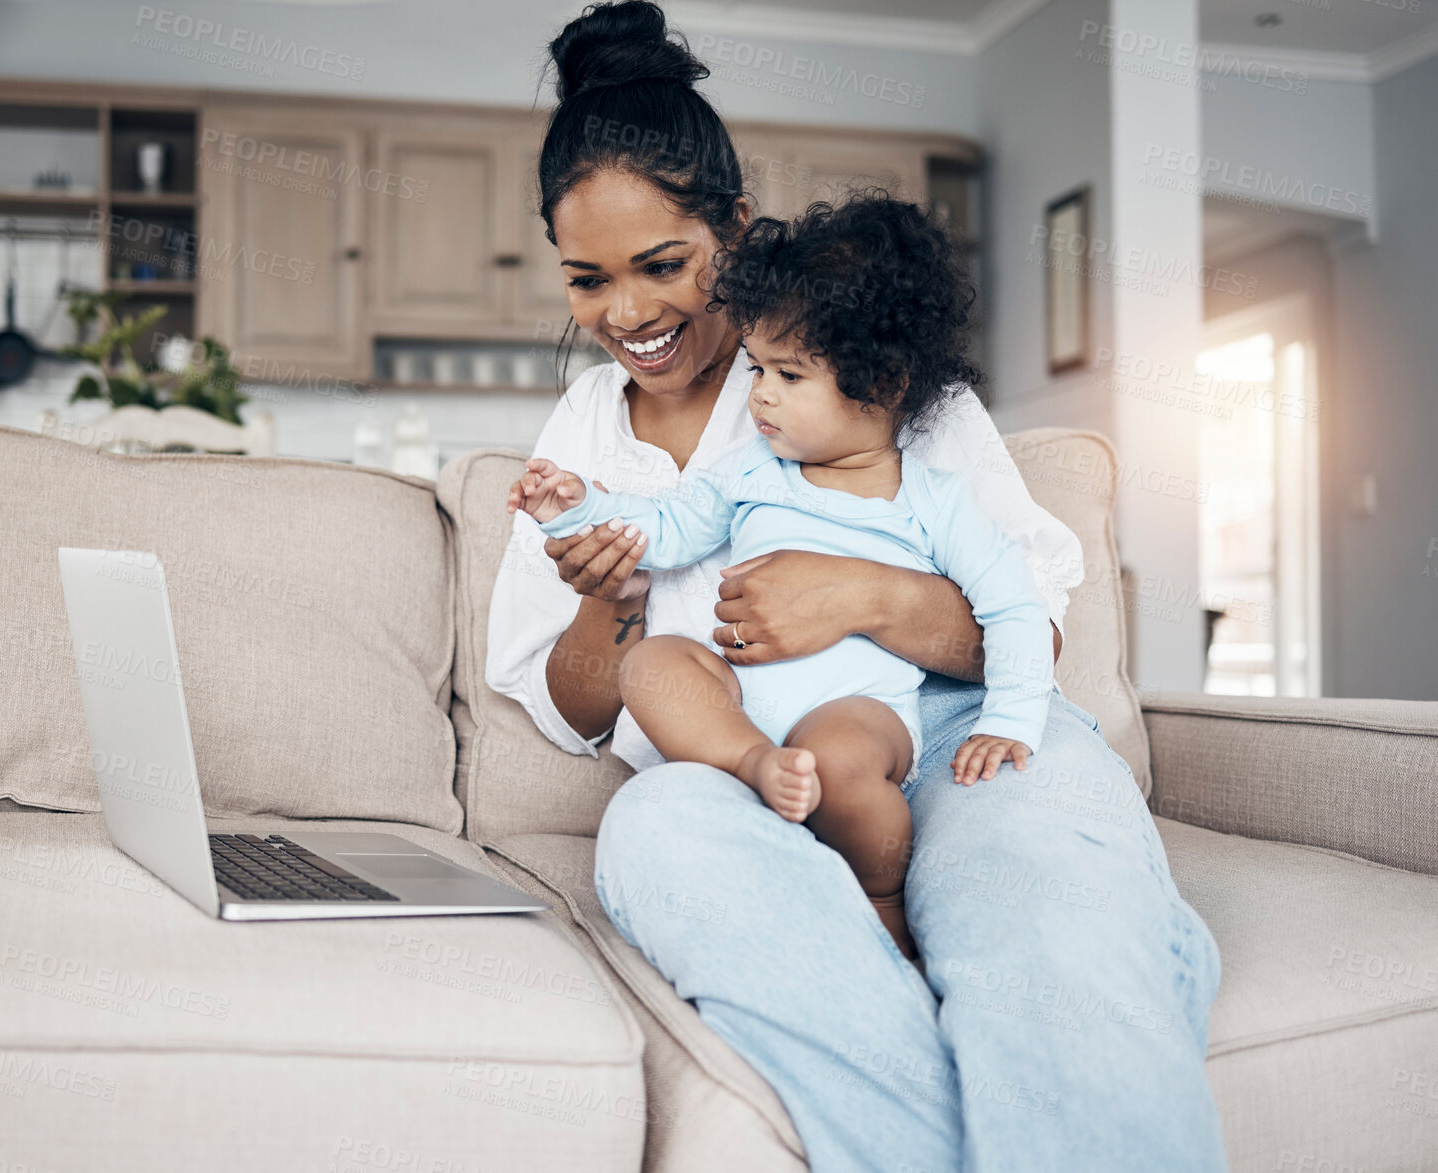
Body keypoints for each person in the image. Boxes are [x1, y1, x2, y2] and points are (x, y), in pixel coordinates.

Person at [486, 3, 1229, 1169]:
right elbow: (573, 705)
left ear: (734, 226)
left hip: (940, 730)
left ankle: (1092, 963)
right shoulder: (582, 431)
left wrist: (866, 595)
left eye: (665, 265)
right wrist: (604, 599)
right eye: (587, 281)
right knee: (656, 826)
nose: (625, 315)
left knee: (1038, 899)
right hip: (730, 777)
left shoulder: (859, 356)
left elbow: (1025, 613)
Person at [507, 193, 1056, 961]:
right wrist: (575, 508)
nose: (757, 393)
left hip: (856, 713)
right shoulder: (752, 472)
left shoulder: (933, 502)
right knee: (655, 663)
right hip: (741, 707)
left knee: (842, 766)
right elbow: (662, 530)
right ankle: (753, 763)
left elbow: (1017, 608)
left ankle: (884, 906)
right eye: (758, 366)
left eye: (788, 375)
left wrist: (1012, 720)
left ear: (883, 385)